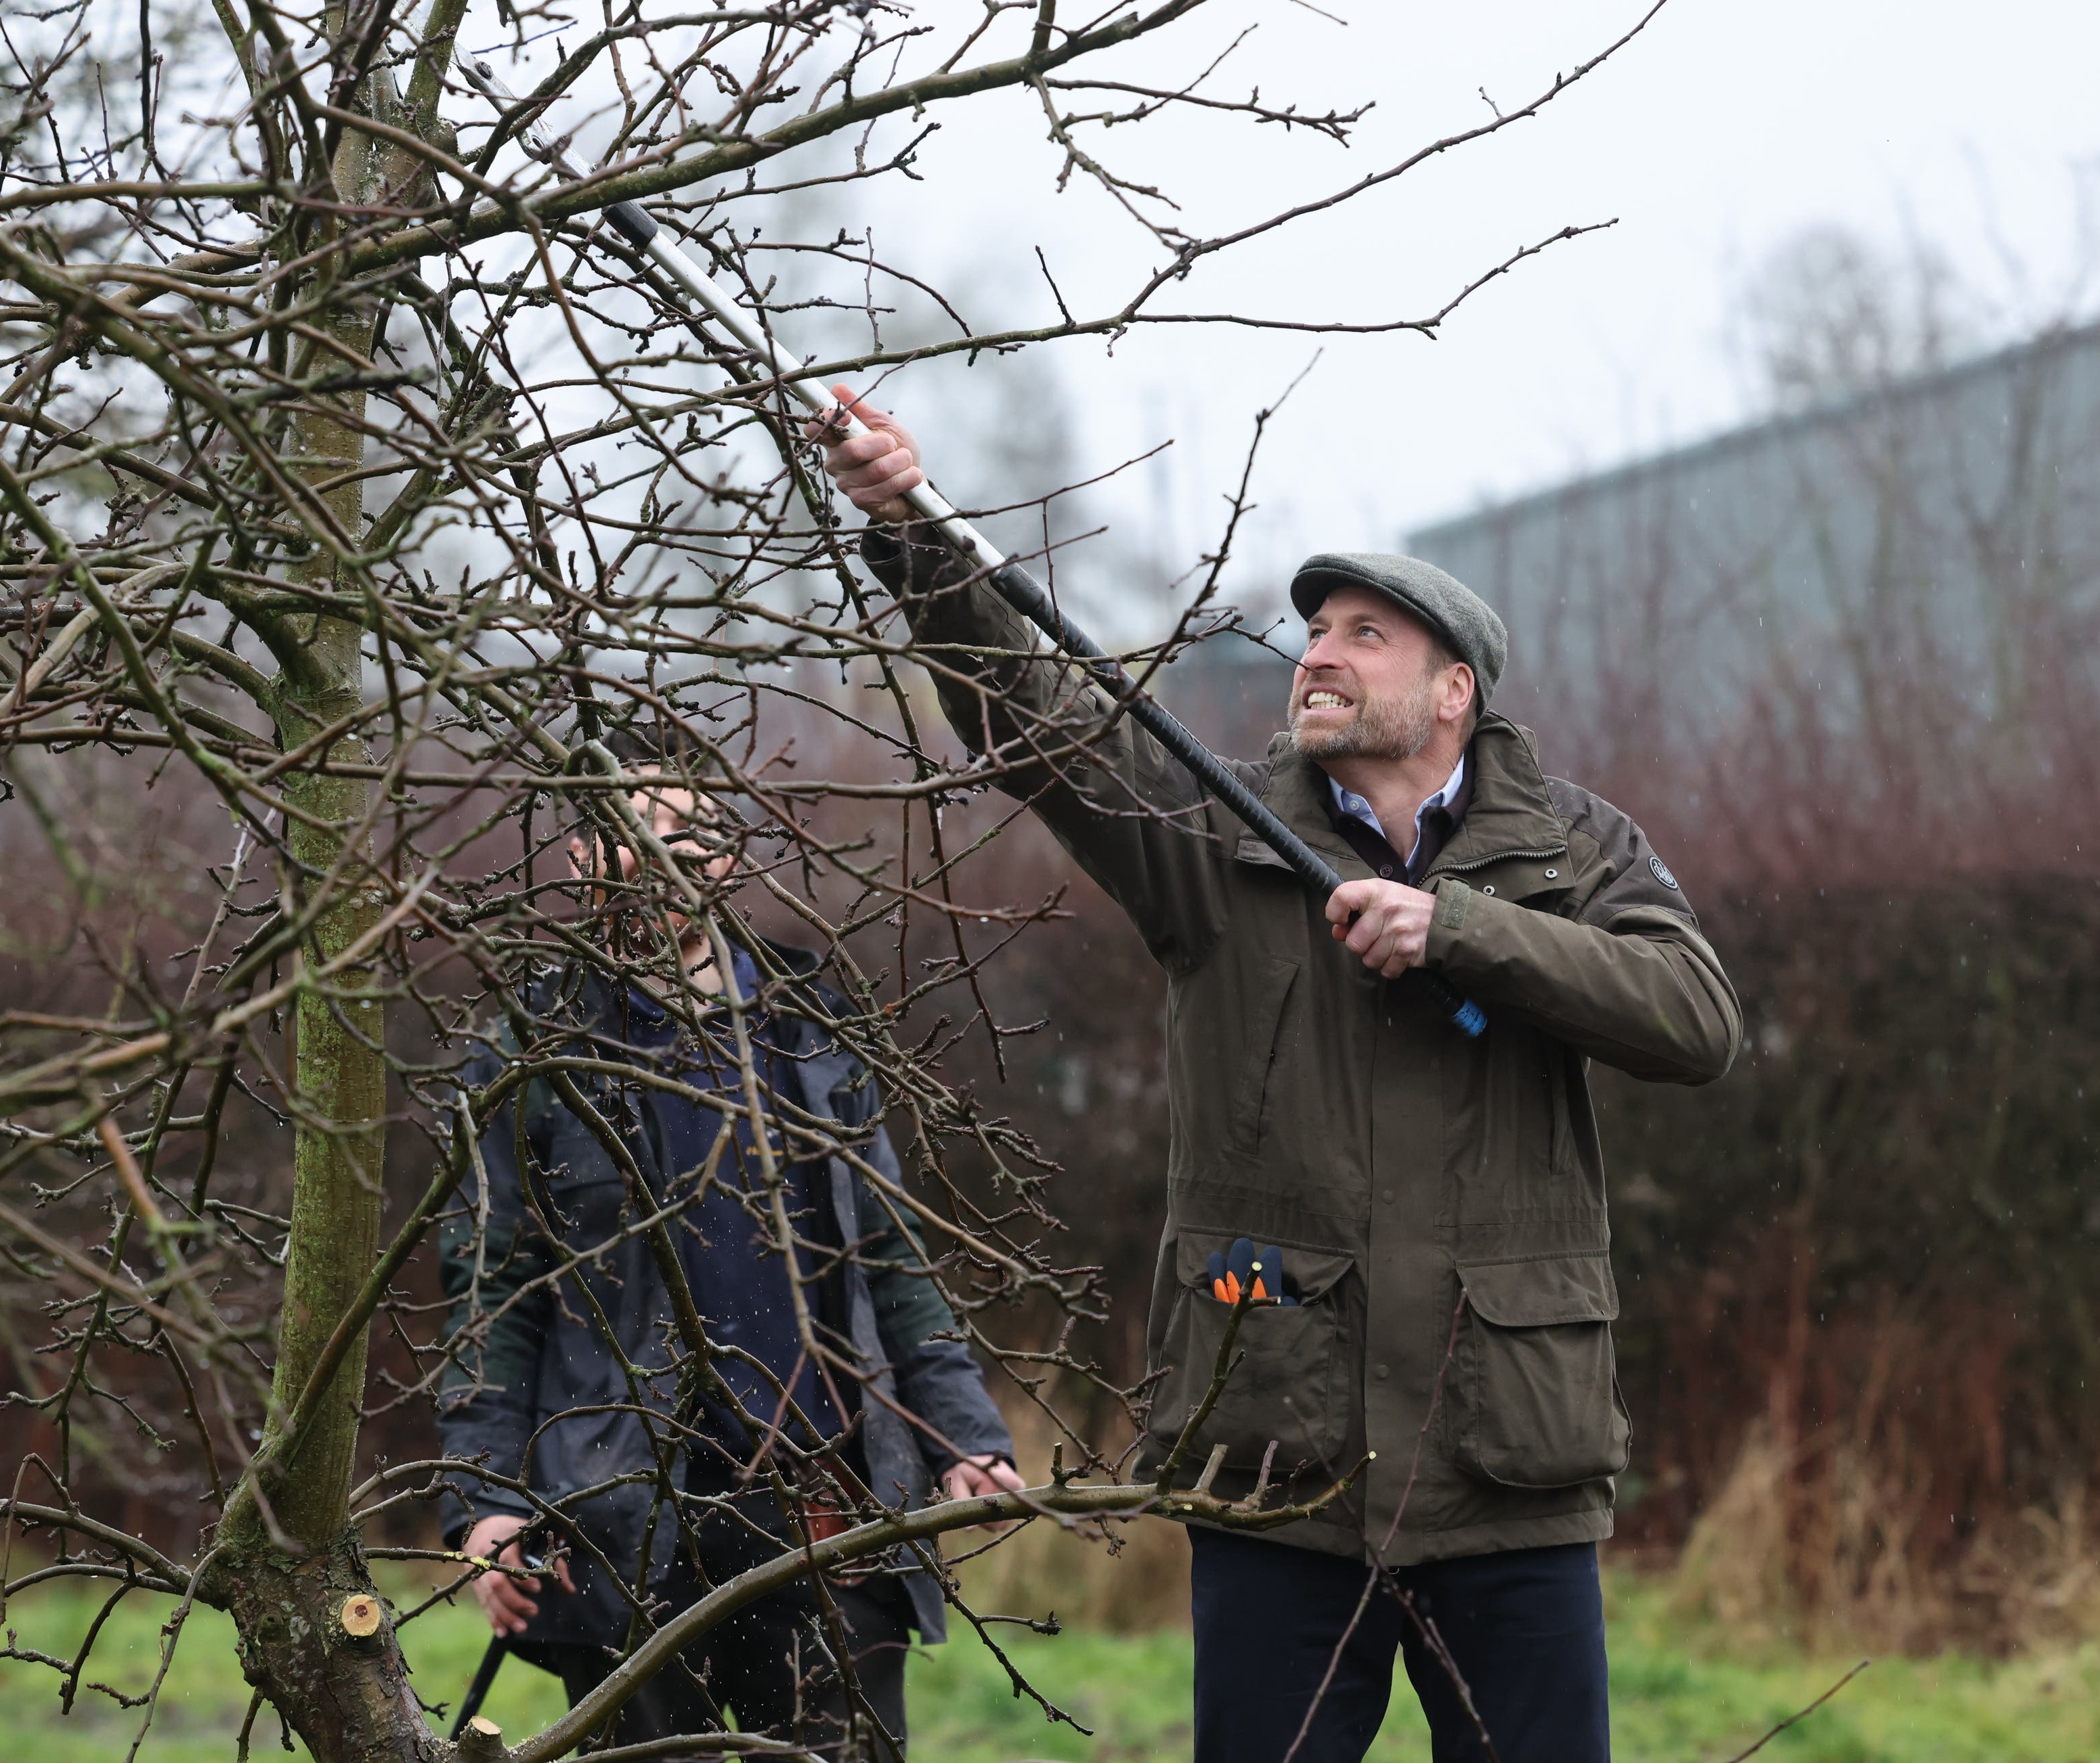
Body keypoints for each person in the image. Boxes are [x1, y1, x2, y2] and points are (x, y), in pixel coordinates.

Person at [815, 389, 1743, 1763]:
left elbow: (1695, 1018)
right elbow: (1036, 716)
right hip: (1275, 1472)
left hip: (1509, 1475)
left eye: (1366, 634)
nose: (1321, 654)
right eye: (1315, 631)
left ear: (1454, 691)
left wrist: (1467, 933)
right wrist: (912, 536)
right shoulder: (1214, 834)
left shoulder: (1577, 851)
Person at [434, 733, 1025, 1760]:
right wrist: (484, 1503)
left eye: (686, 829)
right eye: (629, 832)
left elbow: (887, 1255)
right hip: (625, 1520)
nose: (660, 855)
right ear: (580, 858)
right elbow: (494, 1291)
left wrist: (964, 1434)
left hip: (826, 1500)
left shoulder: (814, 1030)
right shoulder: (528, 1055)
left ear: (732, 852)